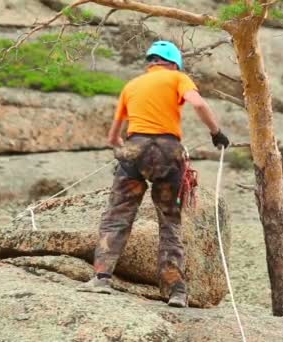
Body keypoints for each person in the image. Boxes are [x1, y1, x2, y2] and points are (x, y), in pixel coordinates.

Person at [77, 41, 230, 308]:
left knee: (117, 216)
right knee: (170, 222)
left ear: (151, 62)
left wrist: (126, 153)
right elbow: (198, 103)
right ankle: (176, 292)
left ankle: (101, 278)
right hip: (168, 153)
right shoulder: (178, 78)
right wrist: (216, 133)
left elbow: (113, 136)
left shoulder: (131, 86)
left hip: (134, 149)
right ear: (174, 63)